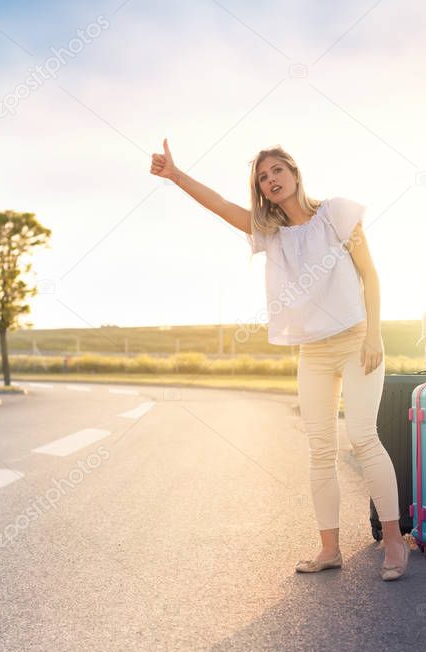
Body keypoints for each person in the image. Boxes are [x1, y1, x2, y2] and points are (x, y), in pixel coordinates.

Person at [149, 140, 409, 581]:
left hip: (355, 341)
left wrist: (374, 334)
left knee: (364, 437)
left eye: (276, 171)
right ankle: (330, 549)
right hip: (314, 352)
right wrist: (176, 175)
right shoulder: (269, 234)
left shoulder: (337, 213)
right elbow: (219, 205)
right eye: (263, 178)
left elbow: (370, 273)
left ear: (294, 171)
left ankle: (395, 543)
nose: (271, 181)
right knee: (320, 449)